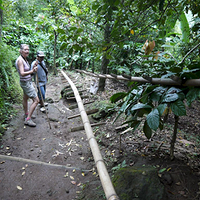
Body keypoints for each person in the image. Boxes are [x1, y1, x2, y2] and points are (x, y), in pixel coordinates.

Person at [15, 44, 39, 127]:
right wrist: (32, 71)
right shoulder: (20, 60)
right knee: (36, 100)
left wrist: (33, 67)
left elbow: (27, 70)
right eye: (25, 49)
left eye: (28, 49)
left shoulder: (24, 59)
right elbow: (22, 73)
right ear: (21, 51)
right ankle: (28, 119)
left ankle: (26, 114)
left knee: (25, 98)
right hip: (26, 83)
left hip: (26, 81)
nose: (27, 51)